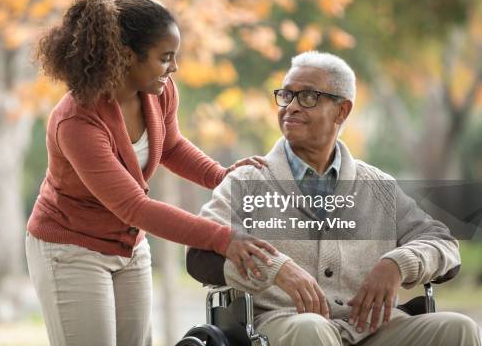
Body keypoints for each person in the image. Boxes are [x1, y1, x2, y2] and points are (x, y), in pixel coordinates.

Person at [24, 0, 278, 346]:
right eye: (165, 57)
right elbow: (134, 206)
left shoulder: (159, 91)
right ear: (127, 56)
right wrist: (223, 239)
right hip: (71, 250)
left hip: (128, 245)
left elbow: (171, 146)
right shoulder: (77, 121)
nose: (173, 68)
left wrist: (222, 177)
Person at [187, 51, 481, 346]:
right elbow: (200, 254)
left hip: (372, 327)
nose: (291, 107)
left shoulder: (378, 187)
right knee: (311, 329)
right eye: (286, 95)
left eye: (308, 97)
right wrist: (276, 269)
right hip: (283, 325)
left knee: (458, 327)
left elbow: (443, 244)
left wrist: (398, 264)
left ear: (342, 111)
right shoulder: (246, 181)